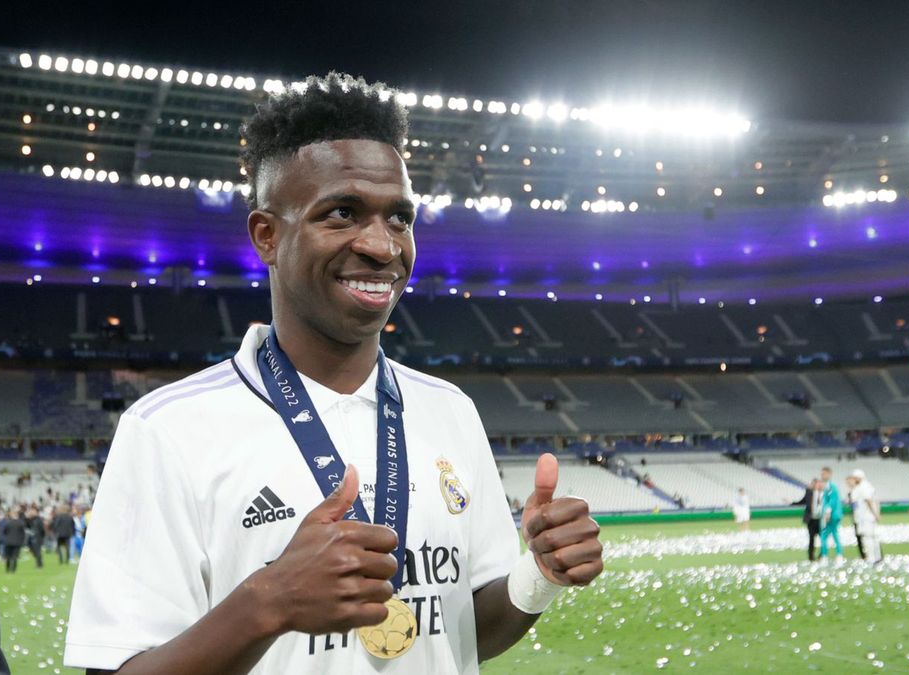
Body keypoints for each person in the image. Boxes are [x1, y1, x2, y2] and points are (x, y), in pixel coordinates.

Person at [65, 72, 604, 675]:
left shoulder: (448, 409)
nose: (382, 246)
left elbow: (460, 630)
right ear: (267, 236)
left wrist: (539, 574)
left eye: (399, 218)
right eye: (343, 213)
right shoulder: (169, 430)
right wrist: (268, 602)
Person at [849, 469, 882, 563]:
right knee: (873, 537)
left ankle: (872, 558)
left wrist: (875, 514)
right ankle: (877, 557)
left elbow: (868, 501)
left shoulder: (863, 487)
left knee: (868, 537)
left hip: (866, 517)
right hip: (868, 516)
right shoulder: (867, 486)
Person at [792, 479, 825, 561]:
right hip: (811, 520)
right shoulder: (809, 492)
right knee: (811, 538)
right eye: (815, 484)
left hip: (820, 520)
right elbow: (802, 502)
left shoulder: (823, 494)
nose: (817, 485)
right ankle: (811, 556)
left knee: (823, 538)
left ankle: (822, 554)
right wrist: (792, 503)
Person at [818, 468, 843, 561]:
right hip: (834, 514)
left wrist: (828, 512)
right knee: (834, 534)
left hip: (832, 515)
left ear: (829, 474)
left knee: (824, 535)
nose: (822, 475)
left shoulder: (830, 487)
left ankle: (825, 556)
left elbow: (832, 501)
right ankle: (838, 555)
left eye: (824, 473)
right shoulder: (829, 486)